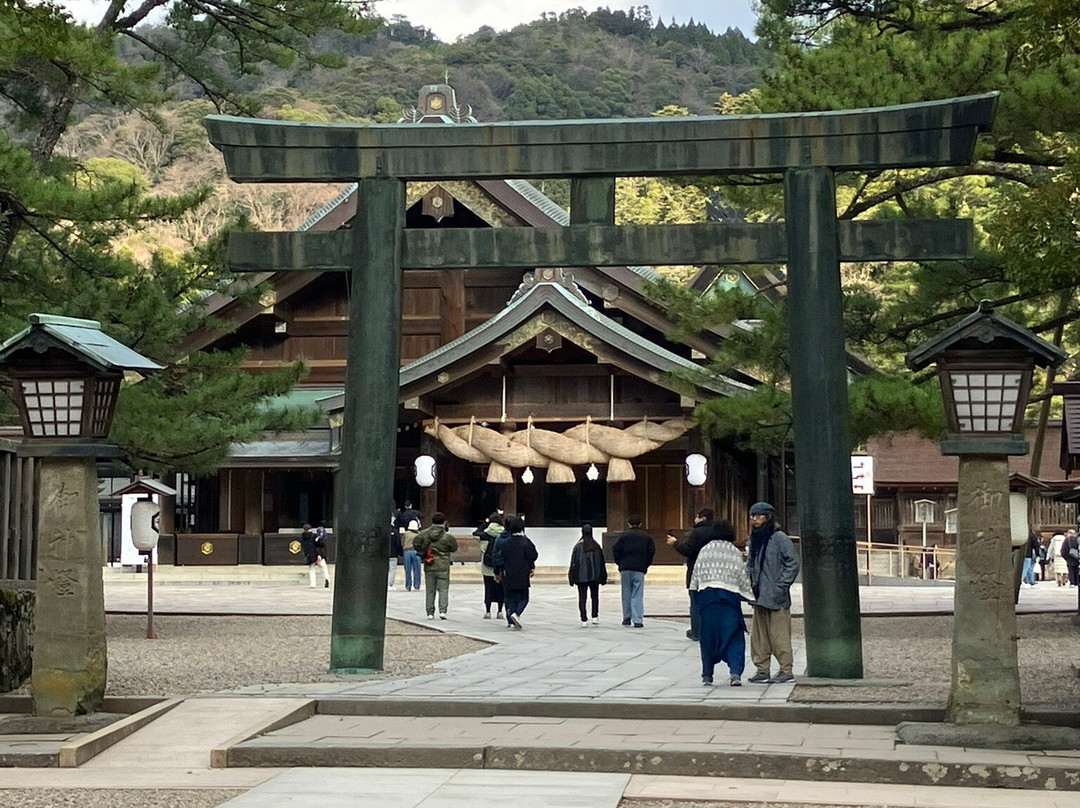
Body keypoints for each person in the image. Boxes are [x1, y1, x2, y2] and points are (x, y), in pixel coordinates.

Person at [689, 519, 754, 687]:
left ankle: (707, 675)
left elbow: (696, 575)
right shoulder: (734, 552)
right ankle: (735, 672)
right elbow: (741, 575)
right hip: (729, 598)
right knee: (734, 635)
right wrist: (749, 595)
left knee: (708, 637)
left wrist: (695, 593)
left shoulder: (705, 550)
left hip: (707, 598)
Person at [745, 502, 800, 684]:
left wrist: (781, 585)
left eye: (758, 516)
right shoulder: (754, 538)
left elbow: (793, 562)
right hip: (758, 594)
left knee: (779, 635)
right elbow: (751, 562)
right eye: (752, 516)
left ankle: (786, 670)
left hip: (776, 595)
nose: (754, 520)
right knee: (759, 637)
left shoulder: (779, 538)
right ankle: (762, 669)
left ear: (767, 517)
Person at [667, 508, 724, 641]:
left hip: (697, 572)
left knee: (696, 603)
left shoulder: (697, 532)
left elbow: (689, 550)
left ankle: (697, 631)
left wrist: (675, 543)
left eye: (697, 517)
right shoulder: (719, 531)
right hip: (716, 572)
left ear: (703, 518)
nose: (695, 519)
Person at [612, 515, 655, 628]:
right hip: (639, 568)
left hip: (625, 567)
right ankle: (637, 620)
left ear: (628, 524)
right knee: (637, 594)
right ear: (640, 524)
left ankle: (626, 617)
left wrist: (620, 563)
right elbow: (651, 552)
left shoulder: (623, 536)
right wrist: (646, 564)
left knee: (626, 593)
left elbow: (616, 549)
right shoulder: (646, 537)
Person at [412, 513, 458, 619]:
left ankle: (430, 612)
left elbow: (416, 543)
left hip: (429, 563)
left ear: (432, 521)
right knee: (443, 589)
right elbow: (454, 548)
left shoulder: (424, 534)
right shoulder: (447, 537)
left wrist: (423, 550)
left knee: (430, 590)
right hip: (443, 564)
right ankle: (442, 611)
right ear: (444, 522)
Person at [495, 514, 537, 630]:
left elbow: (499, 557)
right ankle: (516, 613)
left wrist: (498, 571)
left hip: (508, 572)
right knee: (524, 597)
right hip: (522, 572)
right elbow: (533, 555)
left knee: (511, 597)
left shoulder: (505, 542)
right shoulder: (526, 542)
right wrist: (531, 566)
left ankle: (511, 617)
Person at [568, 524, 608, 626]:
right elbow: (601, 563)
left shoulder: (577, 547)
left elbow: (573, 563)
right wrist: (602, 576)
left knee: (582, 598)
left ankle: (583, 619)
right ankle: (595, 616)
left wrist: (572, 577)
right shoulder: (596, 546)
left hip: (581, 576)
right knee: (595, 596)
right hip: (595, 576)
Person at [478, 511, 505, 620]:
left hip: (487, 566)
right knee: (500, 589)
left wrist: (485, 523)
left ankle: (488, 611)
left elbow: (476, 532)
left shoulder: (485, 534)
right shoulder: (504, 533)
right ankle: (500, 611)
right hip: (500, 566)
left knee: (488, 589)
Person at [301, 523, 330, 589]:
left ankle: (313, 584)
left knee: (312, 569)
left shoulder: (303, 538)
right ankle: (326, 578)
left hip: (310, 556)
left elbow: (305, 548)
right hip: (317, 554)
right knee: (323, 568)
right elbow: (319, 545)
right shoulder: (314, 536)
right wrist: (319, 554)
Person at [402, 519, 422, 591]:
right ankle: (417, 586)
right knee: (417, 569)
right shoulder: (419, 534)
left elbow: (402, 543)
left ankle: (408, 586)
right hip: (416, 551)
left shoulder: (406, 534)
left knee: (407, 570)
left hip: (407, 551)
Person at [388, 514, 403, 590]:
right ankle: (390, 584)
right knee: (392, 569)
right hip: (393, 553)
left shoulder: (383, 529)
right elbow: (398, 543)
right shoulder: (394, 530)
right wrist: (400, 552)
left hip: (384, 553)